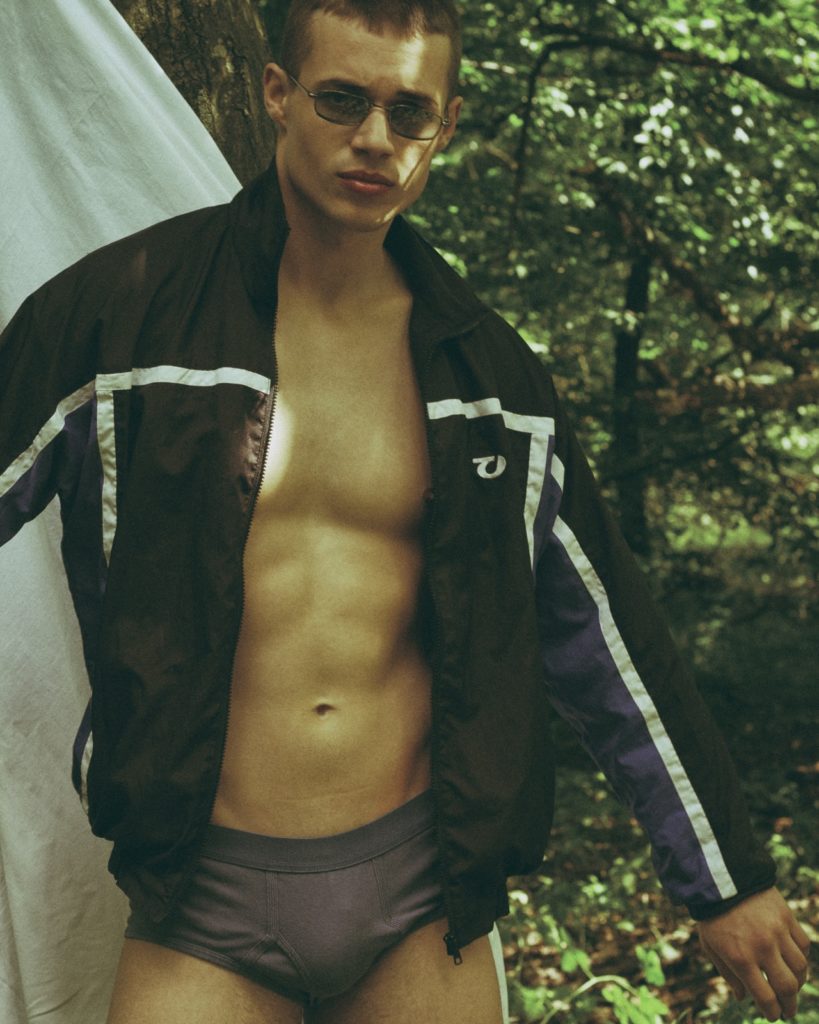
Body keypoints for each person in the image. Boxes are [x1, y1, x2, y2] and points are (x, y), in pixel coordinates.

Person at [0, 1, 810, 1021]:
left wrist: (725, 879)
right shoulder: (123, 316)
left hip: (421, 904)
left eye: (408, 111)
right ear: (278, 94)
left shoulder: (487, 375)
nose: (376, 139)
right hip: (200, 897)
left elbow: (605, 635)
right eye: (342, 100)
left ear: (447, 123)